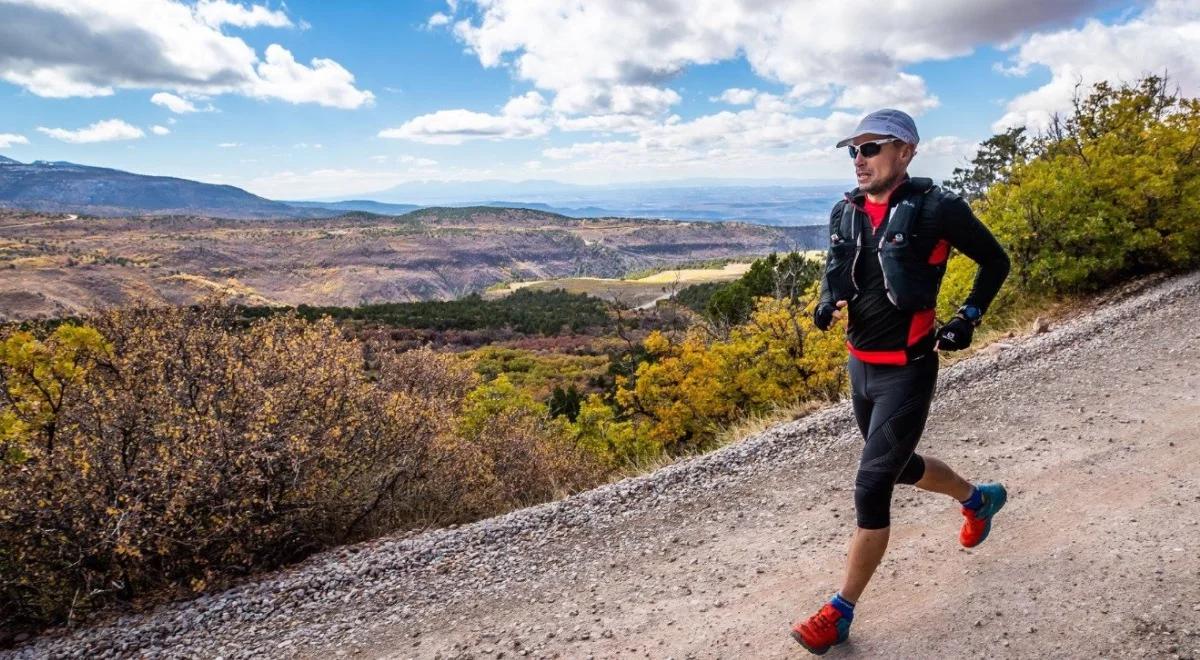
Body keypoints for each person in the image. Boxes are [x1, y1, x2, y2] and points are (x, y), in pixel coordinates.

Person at [790, 108, 1012, 655]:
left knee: (872, 485)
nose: (859, 159)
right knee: (898, 464)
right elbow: (834, 269)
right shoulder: (846, 211)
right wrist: (824, 302)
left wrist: (968, 317)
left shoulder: (939, 209)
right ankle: (976, 499)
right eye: (854, 150)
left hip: (908, 369)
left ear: (906, 152)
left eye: (872, 148)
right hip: (859, 365)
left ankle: (839, 612)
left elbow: (995, 262)